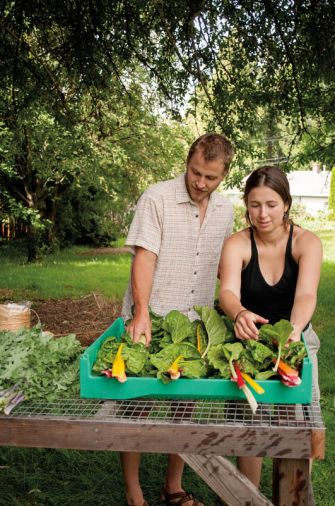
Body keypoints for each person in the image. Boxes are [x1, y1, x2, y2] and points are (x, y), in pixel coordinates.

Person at [121, 132, 235, 506]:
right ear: (187, 162)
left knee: (184, 406)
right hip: (150, 317)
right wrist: (141, 313)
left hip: (193, 329)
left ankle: (173, 486)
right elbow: (145, 257)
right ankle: (134, 492)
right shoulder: (157, 197)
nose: (200, 182)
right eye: (195, 172)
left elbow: (224, 268)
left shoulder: (226, 211)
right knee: (136, 404)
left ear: (224, 176)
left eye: (210, 177)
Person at [219, 165, 322, 487]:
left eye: (271, 204)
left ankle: (295, 493)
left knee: (301, 423)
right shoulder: (237, 243)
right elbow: (228, 292)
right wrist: (238, 314)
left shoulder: (307, 242)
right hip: (248, 344)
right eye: (254, 205)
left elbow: (306, 294)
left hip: (295, 339)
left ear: (286, 204)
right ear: (247, 205)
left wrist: (293, 330)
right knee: (250, 425)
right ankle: (247, 495)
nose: (262, 214)